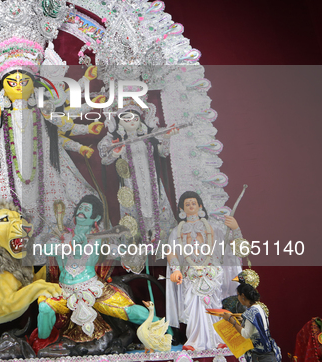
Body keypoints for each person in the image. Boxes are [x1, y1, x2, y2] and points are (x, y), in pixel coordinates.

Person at [0, 68, 98, 273]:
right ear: (2, 87)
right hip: (6, 177)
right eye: (12, 83)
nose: (19, 87)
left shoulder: (43, 108)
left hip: (45, 176)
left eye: (24, 82)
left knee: (63, 217)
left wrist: (85, 83)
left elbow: (65, 118)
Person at [37, 194, 171, 340]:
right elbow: (47, 249)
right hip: (65, 291)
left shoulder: (99, 241)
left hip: (93, 289)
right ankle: (42, 344)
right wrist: (71, 245)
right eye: (80, 207)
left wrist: (145, 248)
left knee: (130, 311)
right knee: (44, 307)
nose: (82, 210)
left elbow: (122, 253)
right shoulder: (62, 237)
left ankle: (164, 327)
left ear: (96, 218)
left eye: (87, 208)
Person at [166, 191, 241, 351]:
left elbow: (230, 246)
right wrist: (175, 269)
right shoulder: (177, 231)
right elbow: (171, 251)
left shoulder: (213, 227)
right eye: (187, 204)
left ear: (200, 206)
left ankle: (219, 338)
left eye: (193, 203)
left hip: (211, 273)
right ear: (181, 209)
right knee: (193, 308)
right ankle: (193, 341)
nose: (191, 206)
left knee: (215, 303)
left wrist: (235, 229)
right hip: (190, 275)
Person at [97, 100, 177, 250]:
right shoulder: (116, 141)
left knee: (157, 208)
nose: (132, 121)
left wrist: (167, 138)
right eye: (126, 118)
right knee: (133, 218)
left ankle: (162, 245)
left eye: (135, 118)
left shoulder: (149, 139)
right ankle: (137, 247)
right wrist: (115, 153)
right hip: (130, 186)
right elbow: (105, 160)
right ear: (119, 121)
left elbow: (164, 152)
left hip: (152, 183)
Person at [222, 283, 282, 362]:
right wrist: (243, 321)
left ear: (242, 295)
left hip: (261, 357)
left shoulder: (250, 312)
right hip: (269, 352)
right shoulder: (258, 307)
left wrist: (232, 321)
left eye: (238, 295)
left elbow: (246, 334)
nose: (238, 298)